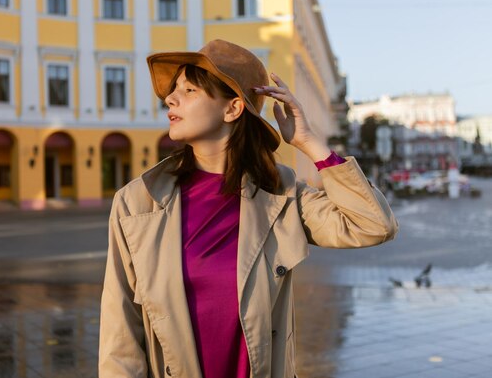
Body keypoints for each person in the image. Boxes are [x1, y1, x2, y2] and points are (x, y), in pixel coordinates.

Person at [99, 39, 398, 378]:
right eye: (174, 90)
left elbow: (374, 225)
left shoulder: (280, 196)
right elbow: (119, 336)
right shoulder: (138, 202)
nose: (170, 97)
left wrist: (308, 142)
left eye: (190, 90)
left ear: (233, 108)